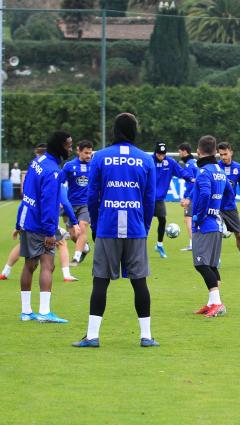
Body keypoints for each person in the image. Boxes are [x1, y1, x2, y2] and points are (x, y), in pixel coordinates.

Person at [73, 112, 158, 348]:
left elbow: (92, 196)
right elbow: (149, 199)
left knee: (100, 281)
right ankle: (146, 336)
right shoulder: (145, 160)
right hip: (135, 227)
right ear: (134, 131)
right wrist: (145, 225)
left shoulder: (100, 158)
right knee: (139, 282)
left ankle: (92, 336)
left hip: (108, 227)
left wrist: (98, 225)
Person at [14, 131, 76, 323]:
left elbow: (28, 191)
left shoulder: (37, 162)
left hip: (27, 218)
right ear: (59, 146)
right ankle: (44, 311)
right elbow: (48, 203)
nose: (70, 148)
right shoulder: (53, 171)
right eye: (68, 145)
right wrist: (50, 232)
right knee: (48, 265)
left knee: (29, 264)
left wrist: (19, 222)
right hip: (40, 223)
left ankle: (26, 312)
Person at [191, 136, 231, 318]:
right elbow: (230, 193)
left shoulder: (204, 172)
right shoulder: (220, 171)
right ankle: (211, 302)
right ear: (215, 151)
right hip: (216, 222)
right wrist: (218, 210)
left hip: (205, 225)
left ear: (199, 151)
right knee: (212, 265)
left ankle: (217, 302)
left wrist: (199, 215)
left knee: (201, 264)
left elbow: (205, 193)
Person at [152, 142, 194, 258]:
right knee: (144, 223)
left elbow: (181, 172)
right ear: (155, 152)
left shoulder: (170, 162)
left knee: (162, 221)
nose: (161, 156)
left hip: (159, 199)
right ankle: (138, 247)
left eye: (163, 154)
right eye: (159, 154)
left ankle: (159, 245)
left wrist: (191, 179)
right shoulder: (148, 161)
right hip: (147, 198)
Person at [217, 141, 240, 268]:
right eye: (221, 154)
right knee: (215, 234)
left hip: (230, 207)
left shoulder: (238, 168)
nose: (223, 157)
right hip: (217, 207)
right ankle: (217, 260)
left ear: (231, 152)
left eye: (225, 154)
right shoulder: (216, 167)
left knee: (238, 234)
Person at [61, 140, 93, 266]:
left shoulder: (94, 165)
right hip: (71, 204)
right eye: (86, 153)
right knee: (74, 234)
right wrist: (60, 200)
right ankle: (85, 248)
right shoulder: (69, 166)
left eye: (90, 153)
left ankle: (76, 257)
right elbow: (61, 183)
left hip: (87, 203)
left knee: (83, 227)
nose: (88, 156)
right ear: (78, 151)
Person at [178, 142, 198, 251]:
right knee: (195, 219)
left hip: (193, 196)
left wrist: (187, 198)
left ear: (185, 151)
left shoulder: (189, 165)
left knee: (188, 219)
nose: (179, 153)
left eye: (180, 151)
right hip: (198, 195)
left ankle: (192, 244)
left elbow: (191, 182)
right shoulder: (195, 162)